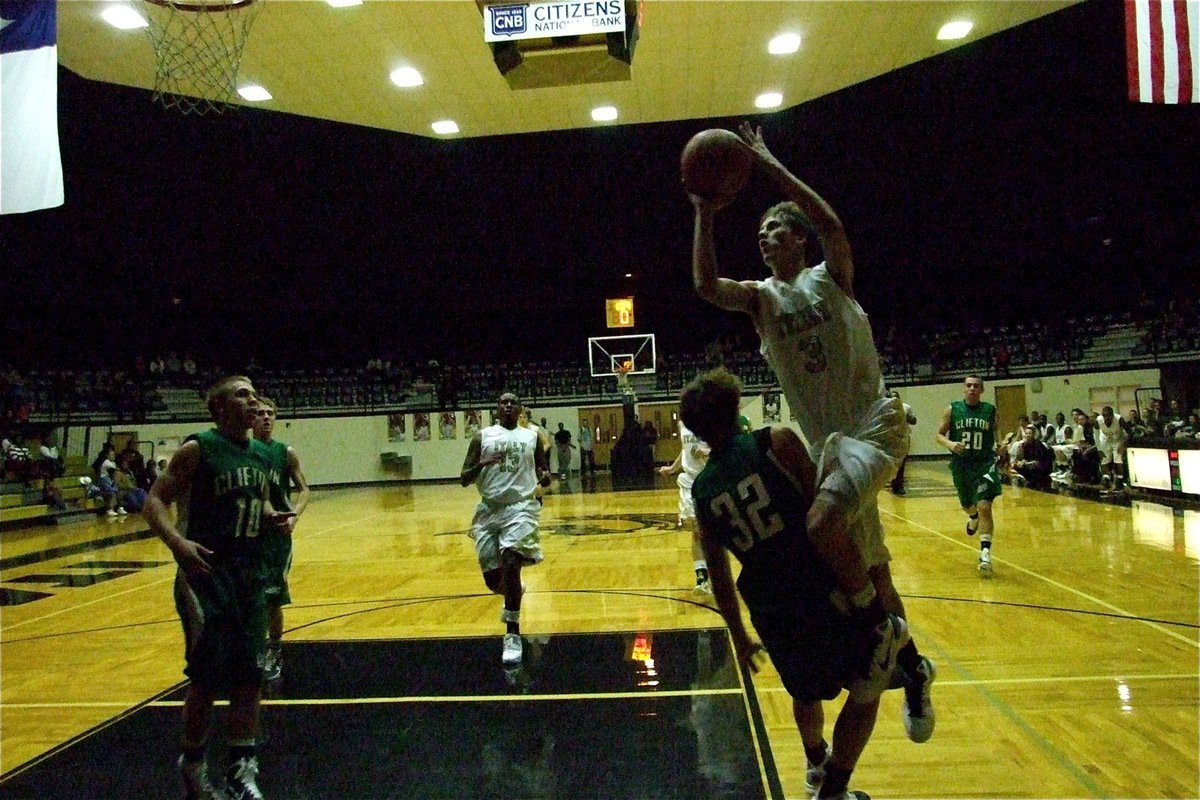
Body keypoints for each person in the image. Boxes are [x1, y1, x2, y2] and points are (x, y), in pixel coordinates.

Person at [690, 122, 934, 743]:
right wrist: (703, 212)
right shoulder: (762, 300)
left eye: (775, 229)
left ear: (796, 239)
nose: (766, 238)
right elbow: (705, 286)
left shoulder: (831, 277)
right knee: (875, 575)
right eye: (761, 232)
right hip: (827, 443)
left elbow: (833, 224)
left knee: (821, 527)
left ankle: (881, 642)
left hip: (874, 425)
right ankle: (914, 667)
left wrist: (768, 163)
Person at [683, 368, 907, 800]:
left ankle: (814, 763)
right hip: (818, 589)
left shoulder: (704, 488)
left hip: (768, 605)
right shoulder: (776, 442)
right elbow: (822, 509)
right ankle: (834, 789)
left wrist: (740, 635)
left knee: (805, 691)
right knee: (870, 679)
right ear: (734, 405)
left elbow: (720, 574)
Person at [143, 375, 294, 800]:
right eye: (241, 395)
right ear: (219, 408)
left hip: (250, 573)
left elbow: (253, 501)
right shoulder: (199, 448)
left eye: (254, 393)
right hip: (206, 574)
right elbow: (153, 502)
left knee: (250, 674)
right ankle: (192, 764)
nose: (252, 401)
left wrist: (268, 518)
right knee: (207, 678)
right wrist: (178, 543)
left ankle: (241, 770)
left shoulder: (264, 455)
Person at [461, 392, 552, 666]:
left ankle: (512, 633)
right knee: (493, 581)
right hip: (489, 510)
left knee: (511, 560)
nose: (508, 405)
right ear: (497, 409)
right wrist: (482, 464)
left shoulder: (531, 437)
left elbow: (541, 467)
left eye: (513, 402)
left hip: (520, 507)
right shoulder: (482, 437)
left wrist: (545, 475)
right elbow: (464, 478)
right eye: (504, 402)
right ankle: (513, 592)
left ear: (521, 408)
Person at [251, 397, 311, 683]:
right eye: (260, 413)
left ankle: (274, 650)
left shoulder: (285, 453)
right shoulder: (243, 452)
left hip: (276, 537)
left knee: (272, 598)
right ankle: (251, 649)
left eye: (270, 413)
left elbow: (304, 490)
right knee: (249, 597)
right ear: (250, 419)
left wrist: (294, 516)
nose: (266, 417)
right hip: (248, 534)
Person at [936, 375, 1001, 576]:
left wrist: (1000, 446)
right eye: (969, 385)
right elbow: (939, 435)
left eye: (976, 386)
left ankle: (985, 555)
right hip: (962, 465)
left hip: (985, 465)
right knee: (968, 505)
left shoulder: (990, 411)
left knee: (984, 506)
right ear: (964, 389)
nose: (972, 389)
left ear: (981, 390)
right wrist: (950, 444)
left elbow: (997, 433)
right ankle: (972, 517)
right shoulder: (952, 410)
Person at [658, 420, 713, 593]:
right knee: (696, 529)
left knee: (713, 533)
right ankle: (702, 577)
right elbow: (685, 449)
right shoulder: (683, 423)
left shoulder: (712, 420)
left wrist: (707, 451)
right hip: (689, 481)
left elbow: (726, 448)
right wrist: (673, 468)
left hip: (709, 478)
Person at [887, 390, 917, 496]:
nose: (894, 399)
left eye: (896, 397)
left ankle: (898, 485)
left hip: (903, 437)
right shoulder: (885, 409)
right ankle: (890, 482)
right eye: (892, 397)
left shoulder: (905, 407)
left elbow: (914, 421)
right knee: (890, 462)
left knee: (902, 463)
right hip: (890, 439)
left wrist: (907, 417)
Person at [1094, 406, 1127, 493]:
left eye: (1108, 416)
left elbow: (1129, 432)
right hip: (1105, 439)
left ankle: (1120, 482)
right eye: (1104, 416)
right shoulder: (1098, 421)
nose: (1106, 418)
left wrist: (1123, 443)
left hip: (1118, 439)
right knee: (1104, 460)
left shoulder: (1119, 419)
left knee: (1118, 459)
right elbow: (1095, 434)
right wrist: (1099, 448)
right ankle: (1106, 480)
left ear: (1113, 415)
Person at [1010, 425, 1053, 490]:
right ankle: (1029, 479)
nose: (1028, 435)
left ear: (1033, 434)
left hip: (1042, 464)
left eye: (1030, 433)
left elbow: (1038, 460)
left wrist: (1026, 463)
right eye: (1026, 433)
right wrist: (1021, 462)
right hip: (1030, 463)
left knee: (1034, 468)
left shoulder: (1038, 444)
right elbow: (1023, 458)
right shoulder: (1024, 445)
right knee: (1016, 466)